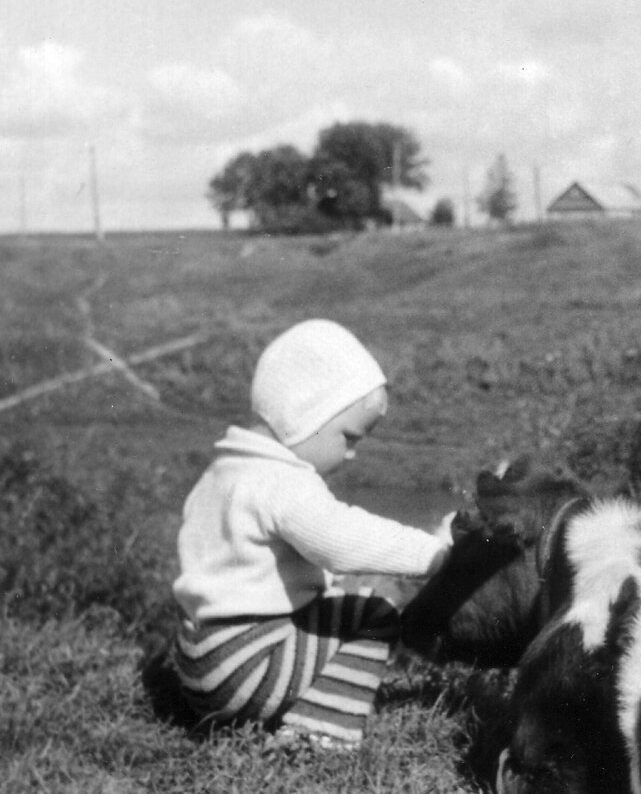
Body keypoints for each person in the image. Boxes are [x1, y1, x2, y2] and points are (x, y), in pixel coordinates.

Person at [171, 319, 453, 751]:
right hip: (247, 667)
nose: (352, 453)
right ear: (308, 413)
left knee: (332, 605)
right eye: (349, 437)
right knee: (374, 616)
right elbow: (343, 541)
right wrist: (434, 555)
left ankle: (254, 707)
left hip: (195, 661)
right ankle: (316, 736)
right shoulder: (283, 483)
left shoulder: (222, 471)